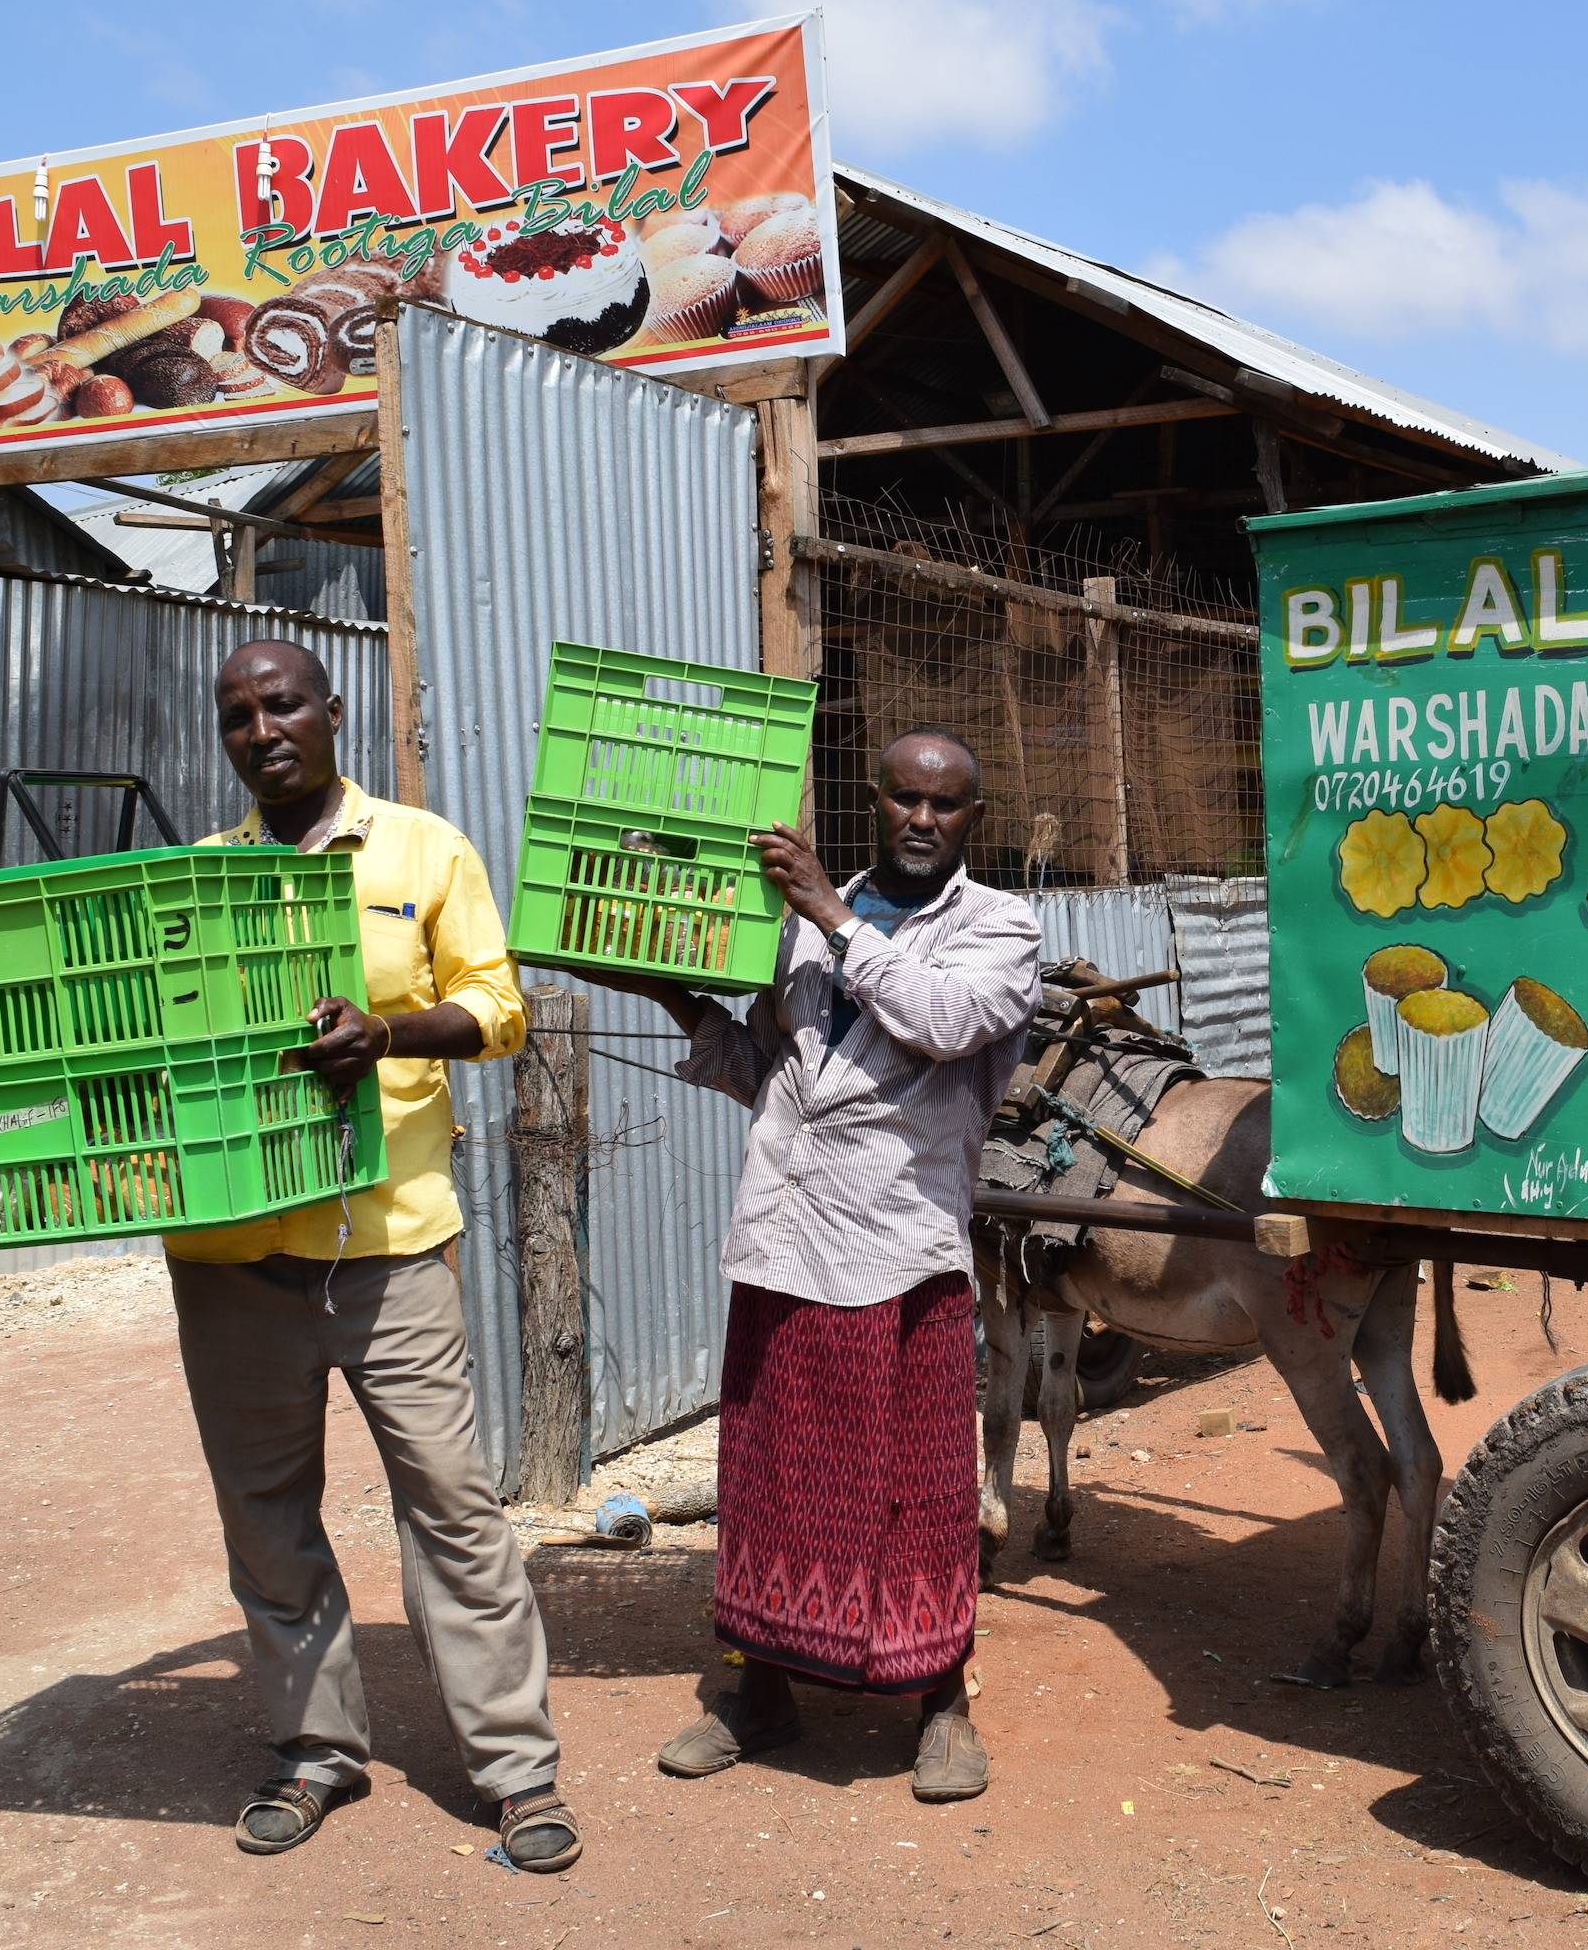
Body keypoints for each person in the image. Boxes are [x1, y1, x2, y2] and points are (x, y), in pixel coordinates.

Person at [162, 640, 581, 1870]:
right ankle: (316, 1752)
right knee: (268, 1514)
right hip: (233, 1254)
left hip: (390, 1243)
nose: (261, 728)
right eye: (236, 712)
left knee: (452, 1510)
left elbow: (497, 1007)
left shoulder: (421, 848)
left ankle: (517, 1770)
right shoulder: (199, 875)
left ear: (332, 711)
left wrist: (389, 1030)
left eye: (281, 702)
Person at [595, 727, 1040, 1802]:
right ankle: (763, 1693)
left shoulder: (998, 927)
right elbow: (769, 1072)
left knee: (919, 1489)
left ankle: (943, 1703)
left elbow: (943, 1021)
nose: (922, 820)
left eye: (946, 804)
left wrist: (833, 920)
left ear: (974, 819)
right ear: (873, 800)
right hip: (785, 1244)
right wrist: (666, 996)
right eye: (904, 798)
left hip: (900, 1249)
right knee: (774, 1481)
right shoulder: (801, 922)